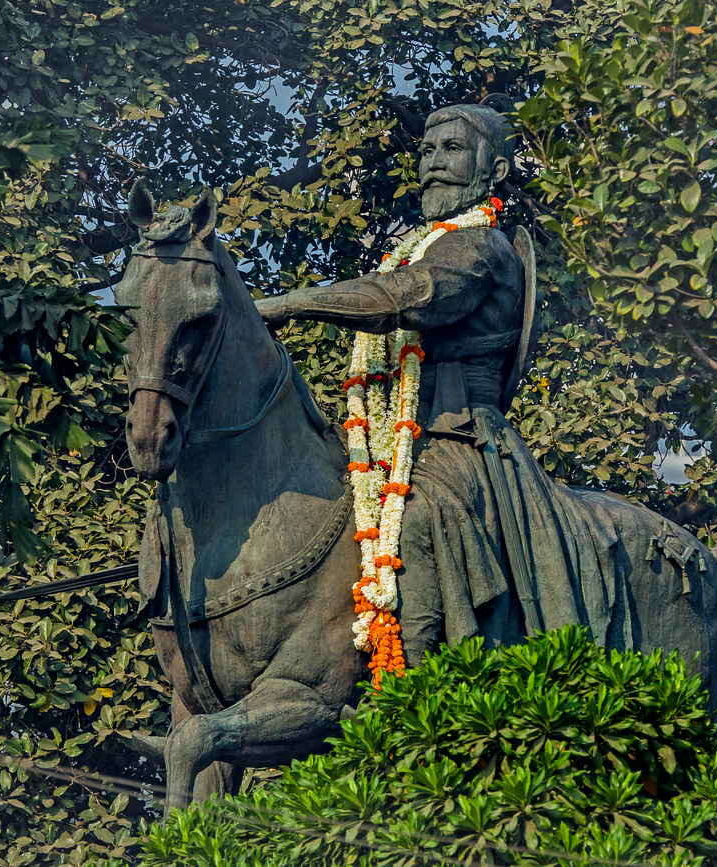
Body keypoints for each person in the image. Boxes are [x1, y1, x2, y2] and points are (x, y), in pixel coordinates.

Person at [256, 104, 627, 663]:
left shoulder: (480, 248)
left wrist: (289, 304)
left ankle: (415, 691)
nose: (433, 164)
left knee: (421, 518)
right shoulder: (422, 244)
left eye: (452, 150)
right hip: (402, 439)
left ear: (494, 169)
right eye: (427, 152)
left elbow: (405, 296)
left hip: (462, 439)